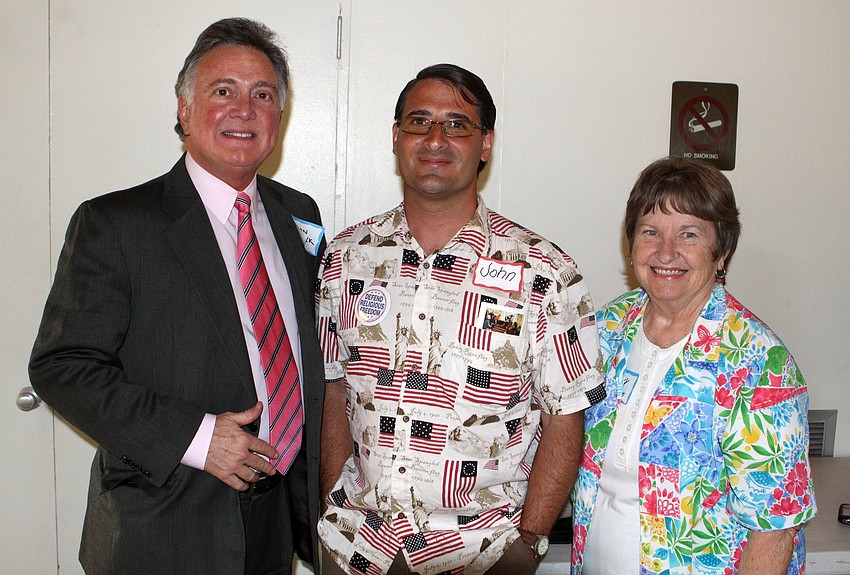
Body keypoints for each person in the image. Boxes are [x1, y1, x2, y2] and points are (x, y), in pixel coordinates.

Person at [28, 18, 325, 575]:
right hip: (161, 527)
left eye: (262, 95)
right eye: (222, 91)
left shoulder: (298, 215)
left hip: (274, 527)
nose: (244, 109)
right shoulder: (115, 223)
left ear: (278, 119)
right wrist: (196, 436)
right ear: (185, 110)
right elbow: (61, 366)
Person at [316, 63, 605, 575]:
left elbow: (565, 414)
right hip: (358, 549)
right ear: (395, 137)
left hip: (484, 552)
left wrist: (530, 541)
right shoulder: (346, 258)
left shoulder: (544, 272)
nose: (435, 139)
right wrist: (330, 510)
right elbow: (335, 390)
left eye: (457, 124)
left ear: (486, 143)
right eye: (419, 121)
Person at [571, 157, 816, 575]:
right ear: (632, 245)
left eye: (689, 233)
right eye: (651, 232)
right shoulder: (608, 329)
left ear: (721, 252)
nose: (666, 252)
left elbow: (775, 528)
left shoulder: (758, 363)